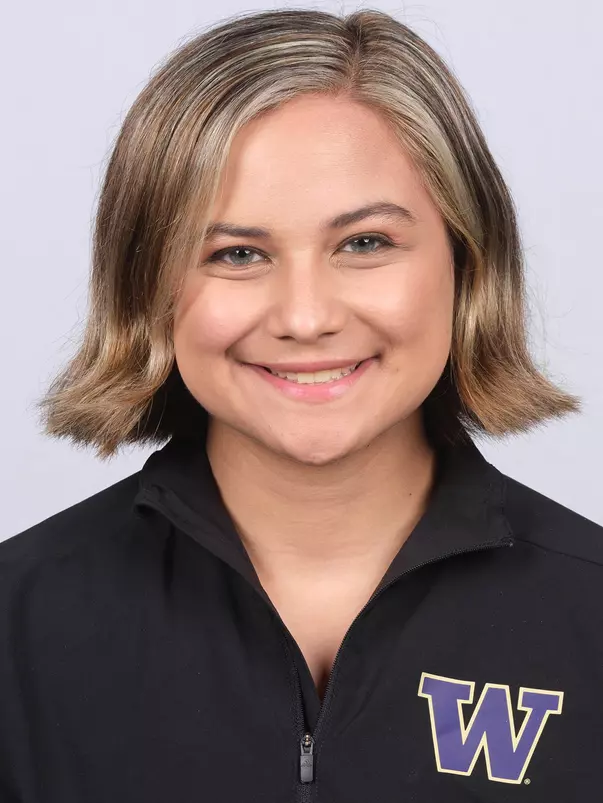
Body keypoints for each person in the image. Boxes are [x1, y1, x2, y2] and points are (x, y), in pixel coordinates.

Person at [2, 6, 601, 802]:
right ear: (145, 285)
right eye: (236, 253)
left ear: (467, 261)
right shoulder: (17, 628)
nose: (305, 316)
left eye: (364, 243)